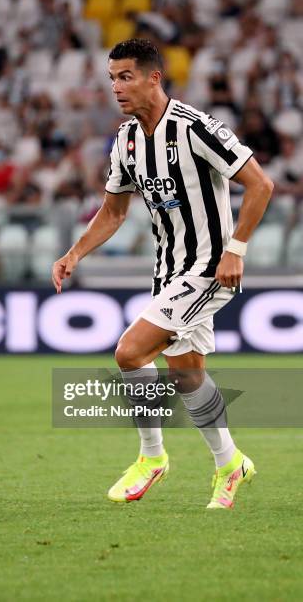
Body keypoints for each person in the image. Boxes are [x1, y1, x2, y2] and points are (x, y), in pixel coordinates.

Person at [52, 39, 273, 510]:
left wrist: (236, 250)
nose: (116, 86)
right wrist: (74, 253)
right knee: (187, 374)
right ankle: (231, 463)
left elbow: (260, 183)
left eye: (126, 76)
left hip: (210, 268)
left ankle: (152, 458)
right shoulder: (126, 141)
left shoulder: (195, 128)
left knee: (130, 353)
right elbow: (112, 213)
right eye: (112, 77)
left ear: (155, 77)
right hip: (168, 271)